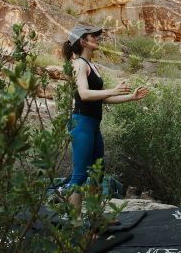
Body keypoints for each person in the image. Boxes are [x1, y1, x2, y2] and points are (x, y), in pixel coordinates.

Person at [62, 23, 149, 215]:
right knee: (80, 175)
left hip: (93, 125)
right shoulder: (78, 64)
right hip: (81, 123)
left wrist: (130, 97)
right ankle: (73, 226)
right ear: (83, 41)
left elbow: (103, 98)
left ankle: (94, 220)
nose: (97, 38)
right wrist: (113, 89)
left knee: (97, 174)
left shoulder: (91, 65)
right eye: (93, 36)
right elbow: (84, 94)